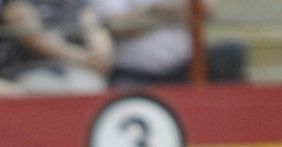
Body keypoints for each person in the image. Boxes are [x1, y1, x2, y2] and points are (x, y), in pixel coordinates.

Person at [91, 0, 245, 84]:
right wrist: (165, 12)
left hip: (185, 67)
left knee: (231, 52)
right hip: (133, 74)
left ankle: (237, 124)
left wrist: (146, 13)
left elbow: (204, 10)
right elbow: (117, 26)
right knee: (119, 96)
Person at [0, 0, 113, 93]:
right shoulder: (16, 4)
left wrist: (101, 53)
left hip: (71, 71)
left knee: (90, 86)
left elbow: (94, 29)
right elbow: (35, 39)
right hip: (25, 71)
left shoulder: (75, 3)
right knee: (47, 88)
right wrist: (81, 58)